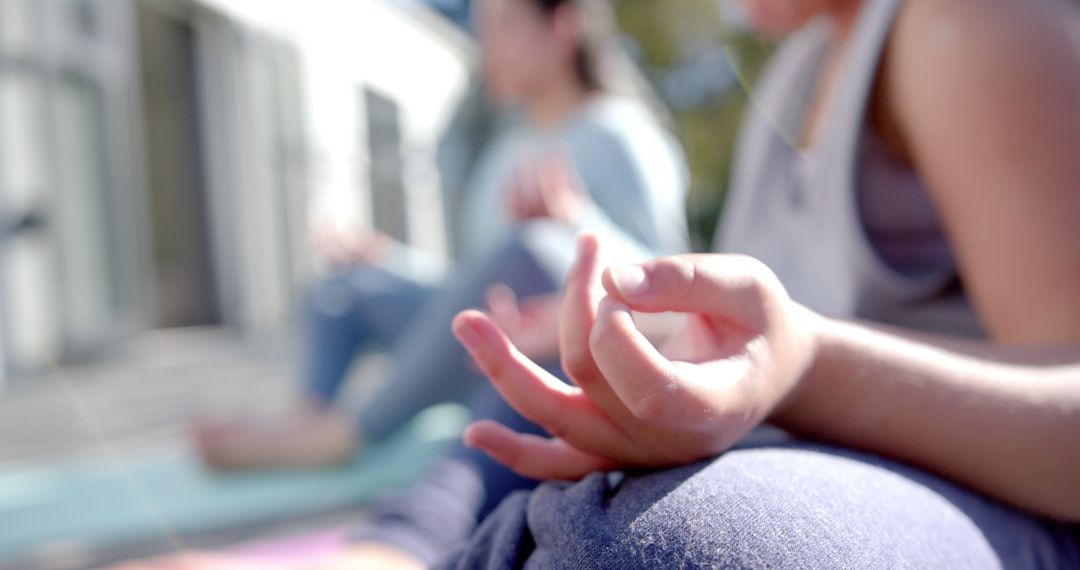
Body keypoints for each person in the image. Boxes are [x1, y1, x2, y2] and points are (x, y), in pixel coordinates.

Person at [430, 0, 1080, 564]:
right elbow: (767, 322)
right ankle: (396, 541)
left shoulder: (966, 27)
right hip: (805, 454)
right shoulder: (793, 78)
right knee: (538, 393)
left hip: (989, 498)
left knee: (659, 541)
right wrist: (628, 323)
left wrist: (809, 370)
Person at [191, 0, 689, 471]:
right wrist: (390, 259)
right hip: (487, 331)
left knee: (530, 248)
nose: (487, 49)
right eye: (482, 32)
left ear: (563, 25)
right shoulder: (504, 150)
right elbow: (472, 280)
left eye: (504, 27)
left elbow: (666, 289)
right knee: (345, 287)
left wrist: (574, 218)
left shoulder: (622, 135)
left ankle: (345, 434)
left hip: (556, 348)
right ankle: (307, 415)